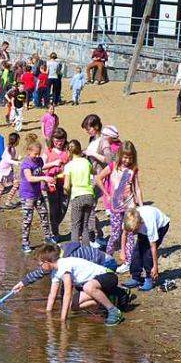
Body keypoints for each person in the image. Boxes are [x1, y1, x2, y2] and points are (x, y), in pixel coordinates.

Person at [37, 246, 124, 326]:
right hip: (96, 285)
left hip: (108, 276)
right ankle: (111, 298)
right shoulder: (55, 272)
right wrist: (48, 313)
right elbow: (52, 295)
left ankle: (113, 311)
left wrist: (63, 320)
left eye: (40, 265)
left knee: (87, 287)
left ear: (47, 262)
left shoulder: (63, 265)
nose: (40, 268)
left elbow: (68, 294)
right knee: (72, 306)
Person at [96, 141, 143, 274]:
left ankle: (127, 261)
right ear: (120, 155)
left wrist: (141, 206)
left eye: (130, 158)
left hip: (129, 205)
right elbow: (99, 178)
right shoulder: (112, 166)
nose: (127, 160)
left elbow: (137, 188)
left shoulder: (133, 169)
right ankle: (107, 258)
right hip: (116, 207)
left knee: (129, 234)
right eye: (125, 157)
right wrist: (106, 194)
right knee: (115, 234)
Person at [11, 243, 118, 292]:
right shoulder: (58, 253)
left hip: (107, 264)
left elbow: (68, 281)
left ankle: (114, 294)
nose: (41, 266)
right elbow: (43, 270)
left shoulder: (70, 258)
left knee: (81, 286)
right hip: (101, 264)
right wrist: (23, 283)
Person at [19, 136, 56, 253]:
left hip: (38, 194)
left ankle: (48, 237)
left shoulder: (39, 160)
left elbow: (40, 168)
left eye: (39, 153)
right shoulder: (26, 163)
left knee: (44, 214)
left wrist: (53, 164)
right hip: (27, 195)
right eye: (35, 154)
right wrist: (44, 177)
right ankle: (25, 243)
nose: (37, 156)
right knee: (27, 220)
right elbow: (30, 178)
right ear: (29, 151)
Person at [82, 114, 113, 246]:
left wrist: (92, 154)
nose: (87, 131)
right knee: (89, 206)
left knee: (89, 206)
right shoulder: (92, 139)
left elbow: (109, 160)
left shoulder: (104, 141)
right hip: (90, 175)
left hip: (99, 177)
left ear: (95, 127)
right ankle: (97, 234)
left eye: (88, 128)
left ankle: (95, 236)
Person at [122, 206, 170, 291]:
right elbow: (124, 234)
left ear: (138, 225)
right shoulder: (129, 218)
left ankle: (149, 279)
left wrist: (155, 267)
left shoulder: (149, 225)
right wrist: (123, 251)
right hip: (143, 226)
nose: (132, 234)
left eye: (134, 231)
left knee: (147, 254)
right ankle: (135, 277)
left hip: (161, 226)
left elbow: (153, 247)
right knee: (137, 252)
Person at [63, 140, 95, 246]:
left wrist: (66, 192)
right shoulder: (86, 162)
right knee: (85, 225)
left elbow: (66, 186)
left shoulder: (69, 166)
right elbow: (93, 172)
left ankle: (75, 250)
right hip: (89, 195)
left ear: (69, 151)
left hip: (77, 196)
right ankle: (86, 250)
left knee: (75, 226)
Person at [41, 128, 70, 240]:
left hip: (65, 183)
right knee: (54, 207)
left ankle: (54, 225)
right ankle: (55, 232)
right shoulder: (48, 151)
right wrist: (53, 163)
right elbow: (41, 166)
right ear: (52, 140)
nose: (59, 142)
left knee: (64, 207)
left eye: (61, 140)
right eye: (57, 140)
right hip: (51, 183)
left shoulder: (67, 152)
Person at [0, 132, 21, 211]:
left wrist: (17, 159)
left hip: (8, 172)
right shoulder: (8, 149)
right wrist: (17, 162)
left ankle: (8, 202)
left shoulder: (12, 149)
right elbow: (7, 160)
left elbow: (10, 159)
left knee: (16, 184)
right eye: (18, 140)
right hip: (2, 173)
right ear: (16, 141)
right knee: (1, 189)